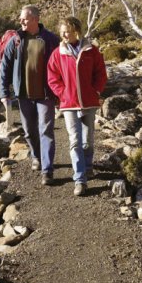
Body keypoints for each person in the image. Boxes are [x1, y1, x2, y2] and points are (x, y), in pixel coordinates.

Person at [0, 5, 60, 186]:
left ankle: (47, 170)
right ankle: (36, 156)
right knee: (29, 131)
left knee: (46, 130)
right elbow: (5, 67)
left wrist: (61, 93)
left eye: (24, 18)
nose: (21, 21)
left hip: (45, 95)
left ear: (35, 19)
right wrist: (4, 92)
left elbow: (60, 66)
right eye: (20, 18)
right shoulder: (16, 40)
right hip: (23, 95)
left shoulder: (50, 39)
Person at [47, 16, 107, 196]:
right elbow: (52, 77)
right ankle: (80, 179)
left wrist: (95, 91)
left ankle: (88, 165)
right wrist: (63, 93)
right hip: (69, 104)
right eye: (63, 32)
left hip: (89, 102)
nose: (65, 35)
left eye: (69, 31)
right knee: (75, 141)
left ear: (77, 32)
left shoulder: (91, 50)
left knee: (88, 140)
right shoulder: (58, 54)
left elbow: (101, 73)